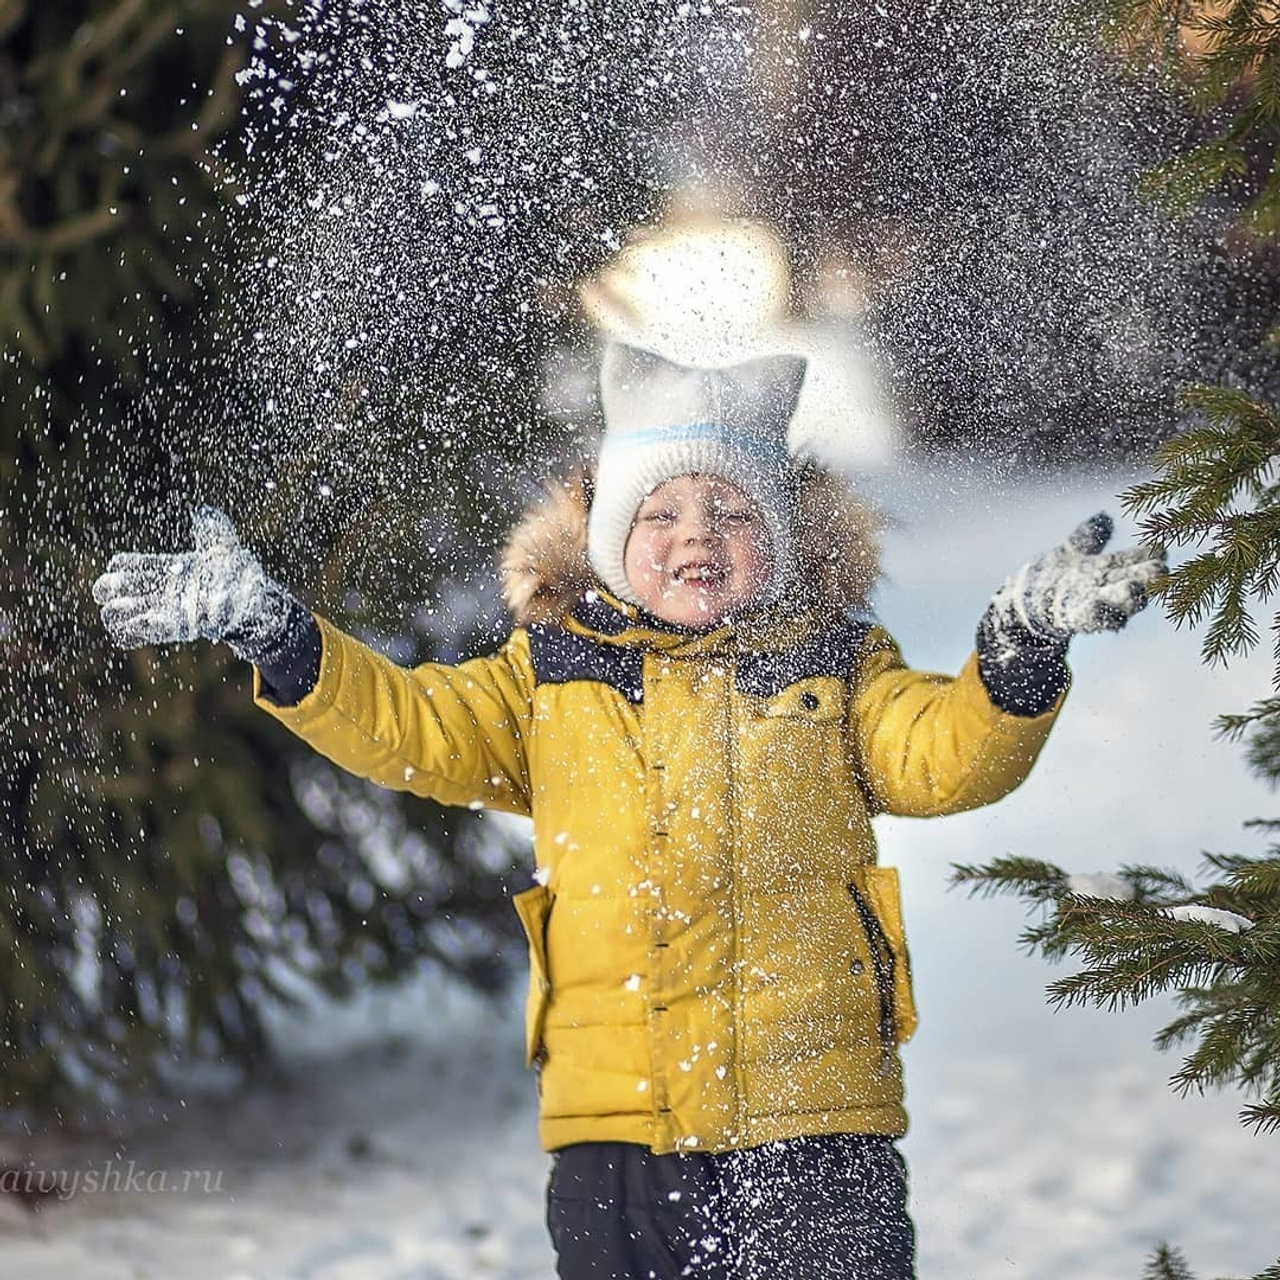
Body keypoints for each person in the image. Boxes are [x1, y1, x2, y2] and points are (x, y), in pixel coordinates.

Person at [92, 341, 1165, 1278]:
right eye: (660, 511)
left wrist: (1015, 654)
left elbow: (944, 758)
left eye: (732, 511)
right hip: (619, 1128)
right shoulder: (545, 682)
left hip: (812, 1119)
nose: (696, 533)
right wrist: (281, 636)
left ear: (780, 540)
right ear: (608, 537)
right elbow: (407, 723)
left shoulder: (833, 666)